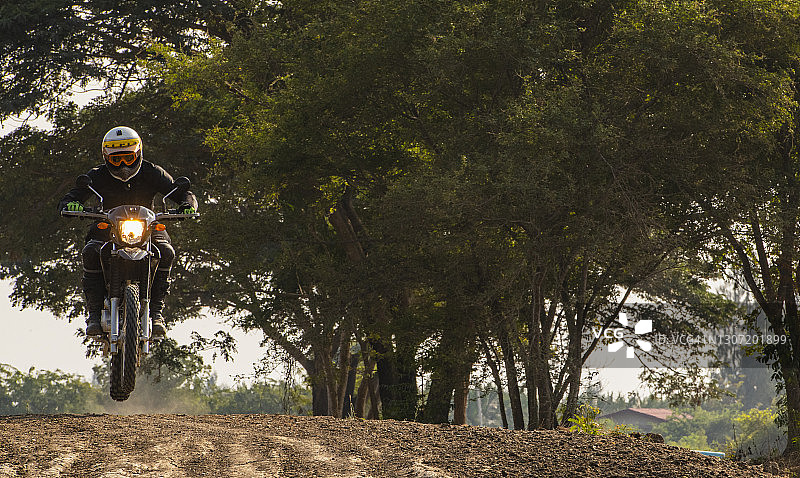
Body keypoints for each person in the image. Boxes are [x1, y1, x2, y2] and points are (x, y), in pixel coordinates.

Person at [58, 126, 198, 337]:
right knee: (91, 251)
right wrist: (71, 205)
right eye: (116, 160)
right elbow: (69, 198)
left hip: (148, 228)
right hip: (106, 227)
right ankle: (94, 314)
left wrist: (188, 205)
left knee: (166, 251)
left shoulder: (152, 172)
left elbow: (183, 194)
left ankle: (157, 312)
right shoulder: (96, 176)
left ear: (138, 153)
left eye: (128, 158)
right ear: (106, 158)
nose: (123, 165)